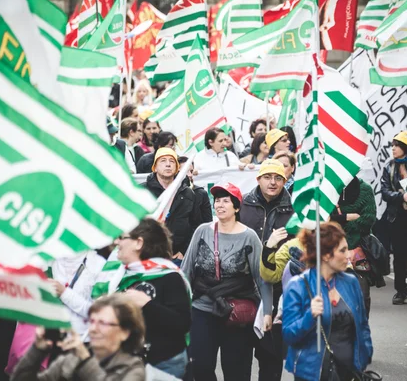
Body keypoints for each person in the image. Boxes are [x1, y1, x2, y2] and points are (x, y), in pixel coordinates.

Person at [181, 183, 273, 381]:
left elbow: (262, 278)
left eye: (225, 201)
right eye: (217, 201)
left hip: (237, 312)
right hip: (203, 307)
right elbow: (186, 270)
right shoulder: (202, 231)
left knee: (236, 372)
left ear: (237, 207)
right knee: (200, 367)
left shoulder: (249, 237)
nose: (220, 205)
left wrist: (267, 311)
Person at [283, 222, 373, 381]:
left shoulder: (351, 282)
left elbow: (362, 324)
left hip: (348, 372)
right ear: (325, 255)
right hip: (312, 373)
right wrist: (309, 316)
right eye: (342, 250)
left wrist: (364, 357)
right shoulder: (298, 286)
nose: (349, 255)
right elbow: (288, 334)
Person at [107, 219, 191, 378]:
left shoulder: (169, 276)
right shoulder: (118, 277)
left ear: (139, 243)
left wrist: (146, 304)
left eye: (122, 237)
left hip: (164, 364)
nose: (117, 241)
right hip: (127, 363)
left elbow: (182, 323)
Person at [240, 159, 294, 381]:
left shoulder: (295, 209)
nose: (273, 182)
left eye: (278, 178)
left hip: (277, 286)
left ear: (285, 180)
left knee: (270, 355)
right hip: (244, 286)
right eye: (268, 177)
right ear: (258, 179)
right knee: (240, 354)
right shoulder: (243, 204)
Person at [11, 294, 146, 381]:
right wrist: (37, 350)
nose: (93, 329)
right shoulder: (71, 359)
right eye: (91, 321)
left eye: (102, 323)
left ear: (125, 332)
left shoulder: (133, 368)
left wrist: (84, 359)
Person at [381, 131, 407, 305]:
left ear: (406, 148)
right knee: (399, 255)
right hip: (396, 216)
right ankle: (401, 291)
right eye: (392, 145)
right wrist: (401, 197)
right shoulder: (389, 167)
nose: (393, 148)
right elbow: (384, 192)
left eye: (396, 145)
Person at [142, 148, 198, 262]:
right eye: (163, 160)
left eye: (172, 161)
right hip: (147, 256)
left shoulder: (187, 193)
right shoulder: (142, 191)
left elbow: (195, 225)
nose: (168, 164)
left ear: (177, 168)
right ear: (155, 167)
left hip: (177, 257)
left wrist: (184, 251)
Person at [330, 177, 376, 251]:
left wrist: (342, 224)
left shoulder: (365, 189)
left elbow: (369, 219)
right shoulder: (328, 189)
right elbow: (324, 219)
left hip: (360, 247)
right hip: (334, 246)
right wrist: (346, 217)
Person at [178, 156, 213, 225]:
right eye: (185, 171)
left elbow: (208, 223)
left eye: (191, 171)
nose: (190, 175)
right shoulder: (169, 194)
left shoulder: (201, 193)